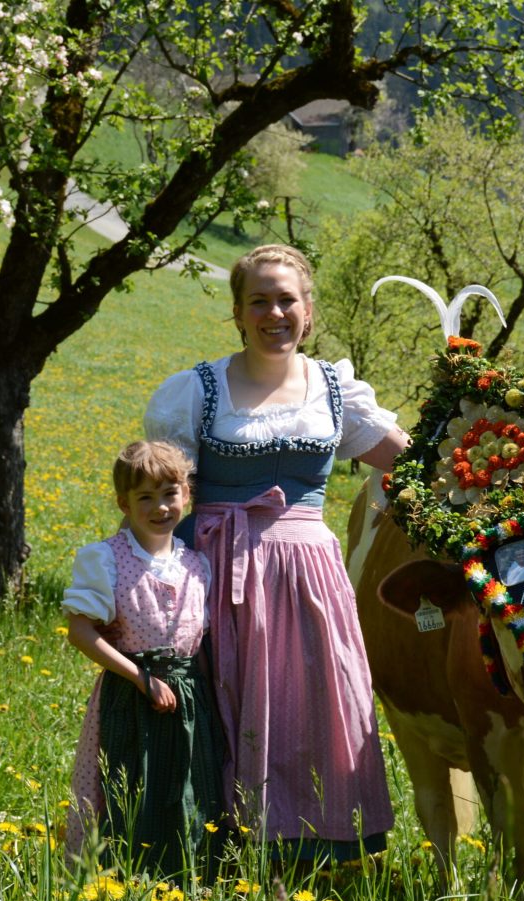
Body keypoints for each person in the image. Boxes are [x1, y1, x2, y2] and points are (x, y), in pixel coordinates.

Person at [144, 244, 409, 864]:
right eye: (258, 301)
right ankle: (212, 850)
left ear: (308, 311)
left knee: (317, 704)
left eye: (286, 299)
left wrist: (482, 451)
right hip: (213, 575)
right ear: (237, 313)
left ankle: (316, 851)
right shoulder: (197, 392)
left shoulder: (334, 390)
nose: (274, 313)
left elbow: (408, 461)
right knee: (219, 704)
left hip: (309, 579)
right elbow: (155, 501)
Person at [63, 440, 225, 878]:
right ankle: (120, 881)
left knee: (188, 788)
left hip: (190, 700)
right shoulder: (106, 559)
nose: (160, 507)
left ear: (186, 495)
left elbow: (198, 646)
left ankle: (188, 879)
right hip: (129, 698)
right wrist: (141, 678)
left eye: (169, 493)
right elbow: (80, 632)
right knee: (130, 786)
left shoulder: (196, 565)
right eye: (145, 497)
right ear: (124, 503)